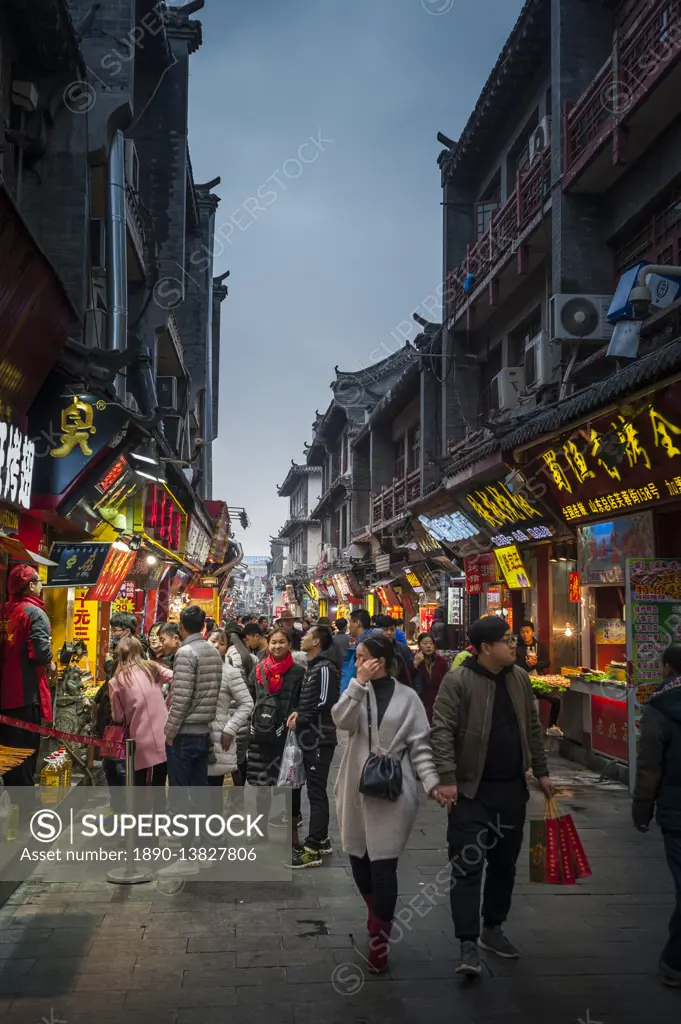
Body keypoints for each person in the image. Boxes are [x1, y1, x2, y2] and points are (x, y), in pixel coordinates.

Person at [431, 616, 552, 977]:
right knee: (467, 867)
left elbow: (532, 727)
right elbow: (441, 730)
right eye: (508, 640)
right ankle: (467, 943)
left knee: (504, 865)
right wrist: (447, 778)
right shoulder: (458, 681)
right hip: (471, 793)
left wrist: (542, 771)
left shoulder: (519, 678)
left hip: (512, 789)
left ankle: (492, 928)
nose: (515, 645)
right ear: (486, 648)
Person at [332, 631, 440, 973]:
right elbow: (341, 721)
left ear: (382, 661)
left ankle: (380, 939)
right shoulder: (356, 692)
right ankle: (374, 911)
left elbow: (420, 746)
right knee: (358, 860)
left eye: (364, 657)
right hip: (354, 787)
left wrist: (433, 783)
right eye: (357, 657)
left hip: (393, 793)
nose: (358, 662)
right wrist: (357, 683)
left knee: (383, 866)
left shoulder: (408, 698)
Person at [632, 643, 681, 988]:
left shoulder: (660, 706)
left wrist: (641, 810)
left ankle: (674, 961)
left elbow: (649, 768)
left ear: (665, 668)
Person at [286, 624, 340, 868]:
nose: (303, 638)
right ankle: (323, 839)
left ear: (317, 641)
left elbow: (324, 701)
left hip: (320, 737)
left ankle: (312, 848)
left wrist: (302, 717)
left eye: (307, 635)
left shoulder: (325, 668)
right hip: (311, 736)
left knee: (317, 793)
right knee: (315, 791)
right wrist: (298, 711)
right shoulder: (314, 667)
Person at [0, 565, 54, 786]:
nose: (42, 585)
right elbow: (41, 653)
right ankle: (24, 813)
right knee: (24, 757)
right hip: (25, 694)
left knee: (8, 757)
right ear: (31, 586)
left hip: (5, 695)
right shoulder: (34, 612)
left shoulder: (5, 610)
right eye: (39, 581)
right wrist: (50, 659)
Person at [246, 628, 304, 829]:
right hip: (261, 734)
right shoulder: (259, 669)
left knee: (289, 780)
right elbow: (250, 698)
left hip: (287, 736)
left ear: (289, 644)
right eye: (274, 642)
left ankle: (292, 828)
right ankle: (260, 828)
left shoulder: (297, 672)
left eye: (282, 642)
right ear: (268, 644)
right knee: (262, 784)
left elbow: (302, 701)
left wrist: (297, 713)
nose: (277, 646)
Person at [164, 605, 222, 786]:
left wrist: (170, 732)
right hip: (204, 732)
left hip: (184, 734)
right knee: (199, 789)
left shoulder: (185, 653)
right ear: (203, 627)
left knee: (178, 793)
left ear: (181, 626)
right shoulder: (213, 651)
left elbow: (181, 698)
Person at [109, 637, 173, 785]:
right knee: (160, 780)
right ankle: (159, 807)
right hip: (164, 732)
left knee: (139, 781)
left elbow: (117, 717)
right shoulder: (152, 667)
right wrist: (168, 702)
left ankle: (140, 807)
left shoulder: (116, 681)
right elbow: (177, 678)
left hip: (139, 737)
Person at [206, 629, 254, 796]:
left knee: (213, 793)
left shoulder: (230, 672)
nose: (216, 645)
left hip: (218, 739)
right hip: (193, 738)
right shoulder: (194, 666)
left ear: (226, 649)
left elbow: (247, 703)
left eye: (222, 643)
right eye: (213, 641)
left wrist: (230, 728)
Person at [516, 620, 561, 737]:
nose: (524, 635)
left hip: (538, 681)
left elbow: (547, 663)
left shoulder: (539, 646)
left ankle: (551, 726)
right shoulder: (516, 648)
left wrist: (536, 663)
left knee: (556, 699)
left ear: (533, 632)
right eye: (522, 632)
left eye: (527, 632)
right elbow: (513, 665)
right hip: (522, 682)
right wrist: (526, 664)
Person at [412, 632, 449, 724]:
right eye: (424, 643)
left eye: (431, 643)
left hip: (438, 701)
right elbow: (408, 679)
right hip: (421, 701)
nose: (428, 646)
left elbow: (447, 681)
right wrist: (415, 664)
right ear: (419, 645)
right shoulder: (414, 659)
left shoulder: (441, 661)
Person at [340, 609, 374, 695]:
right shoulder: (361, 643)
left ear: (357, 623)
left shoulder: (366, 646)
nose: (349, 626)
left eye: (350, 622)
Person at [373, 615, 413, 686]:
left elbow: (409, 673)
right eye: (385, 629)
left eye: (392, 629)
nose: (389, 633)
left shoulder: (403, 649)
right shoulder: (372, 648)